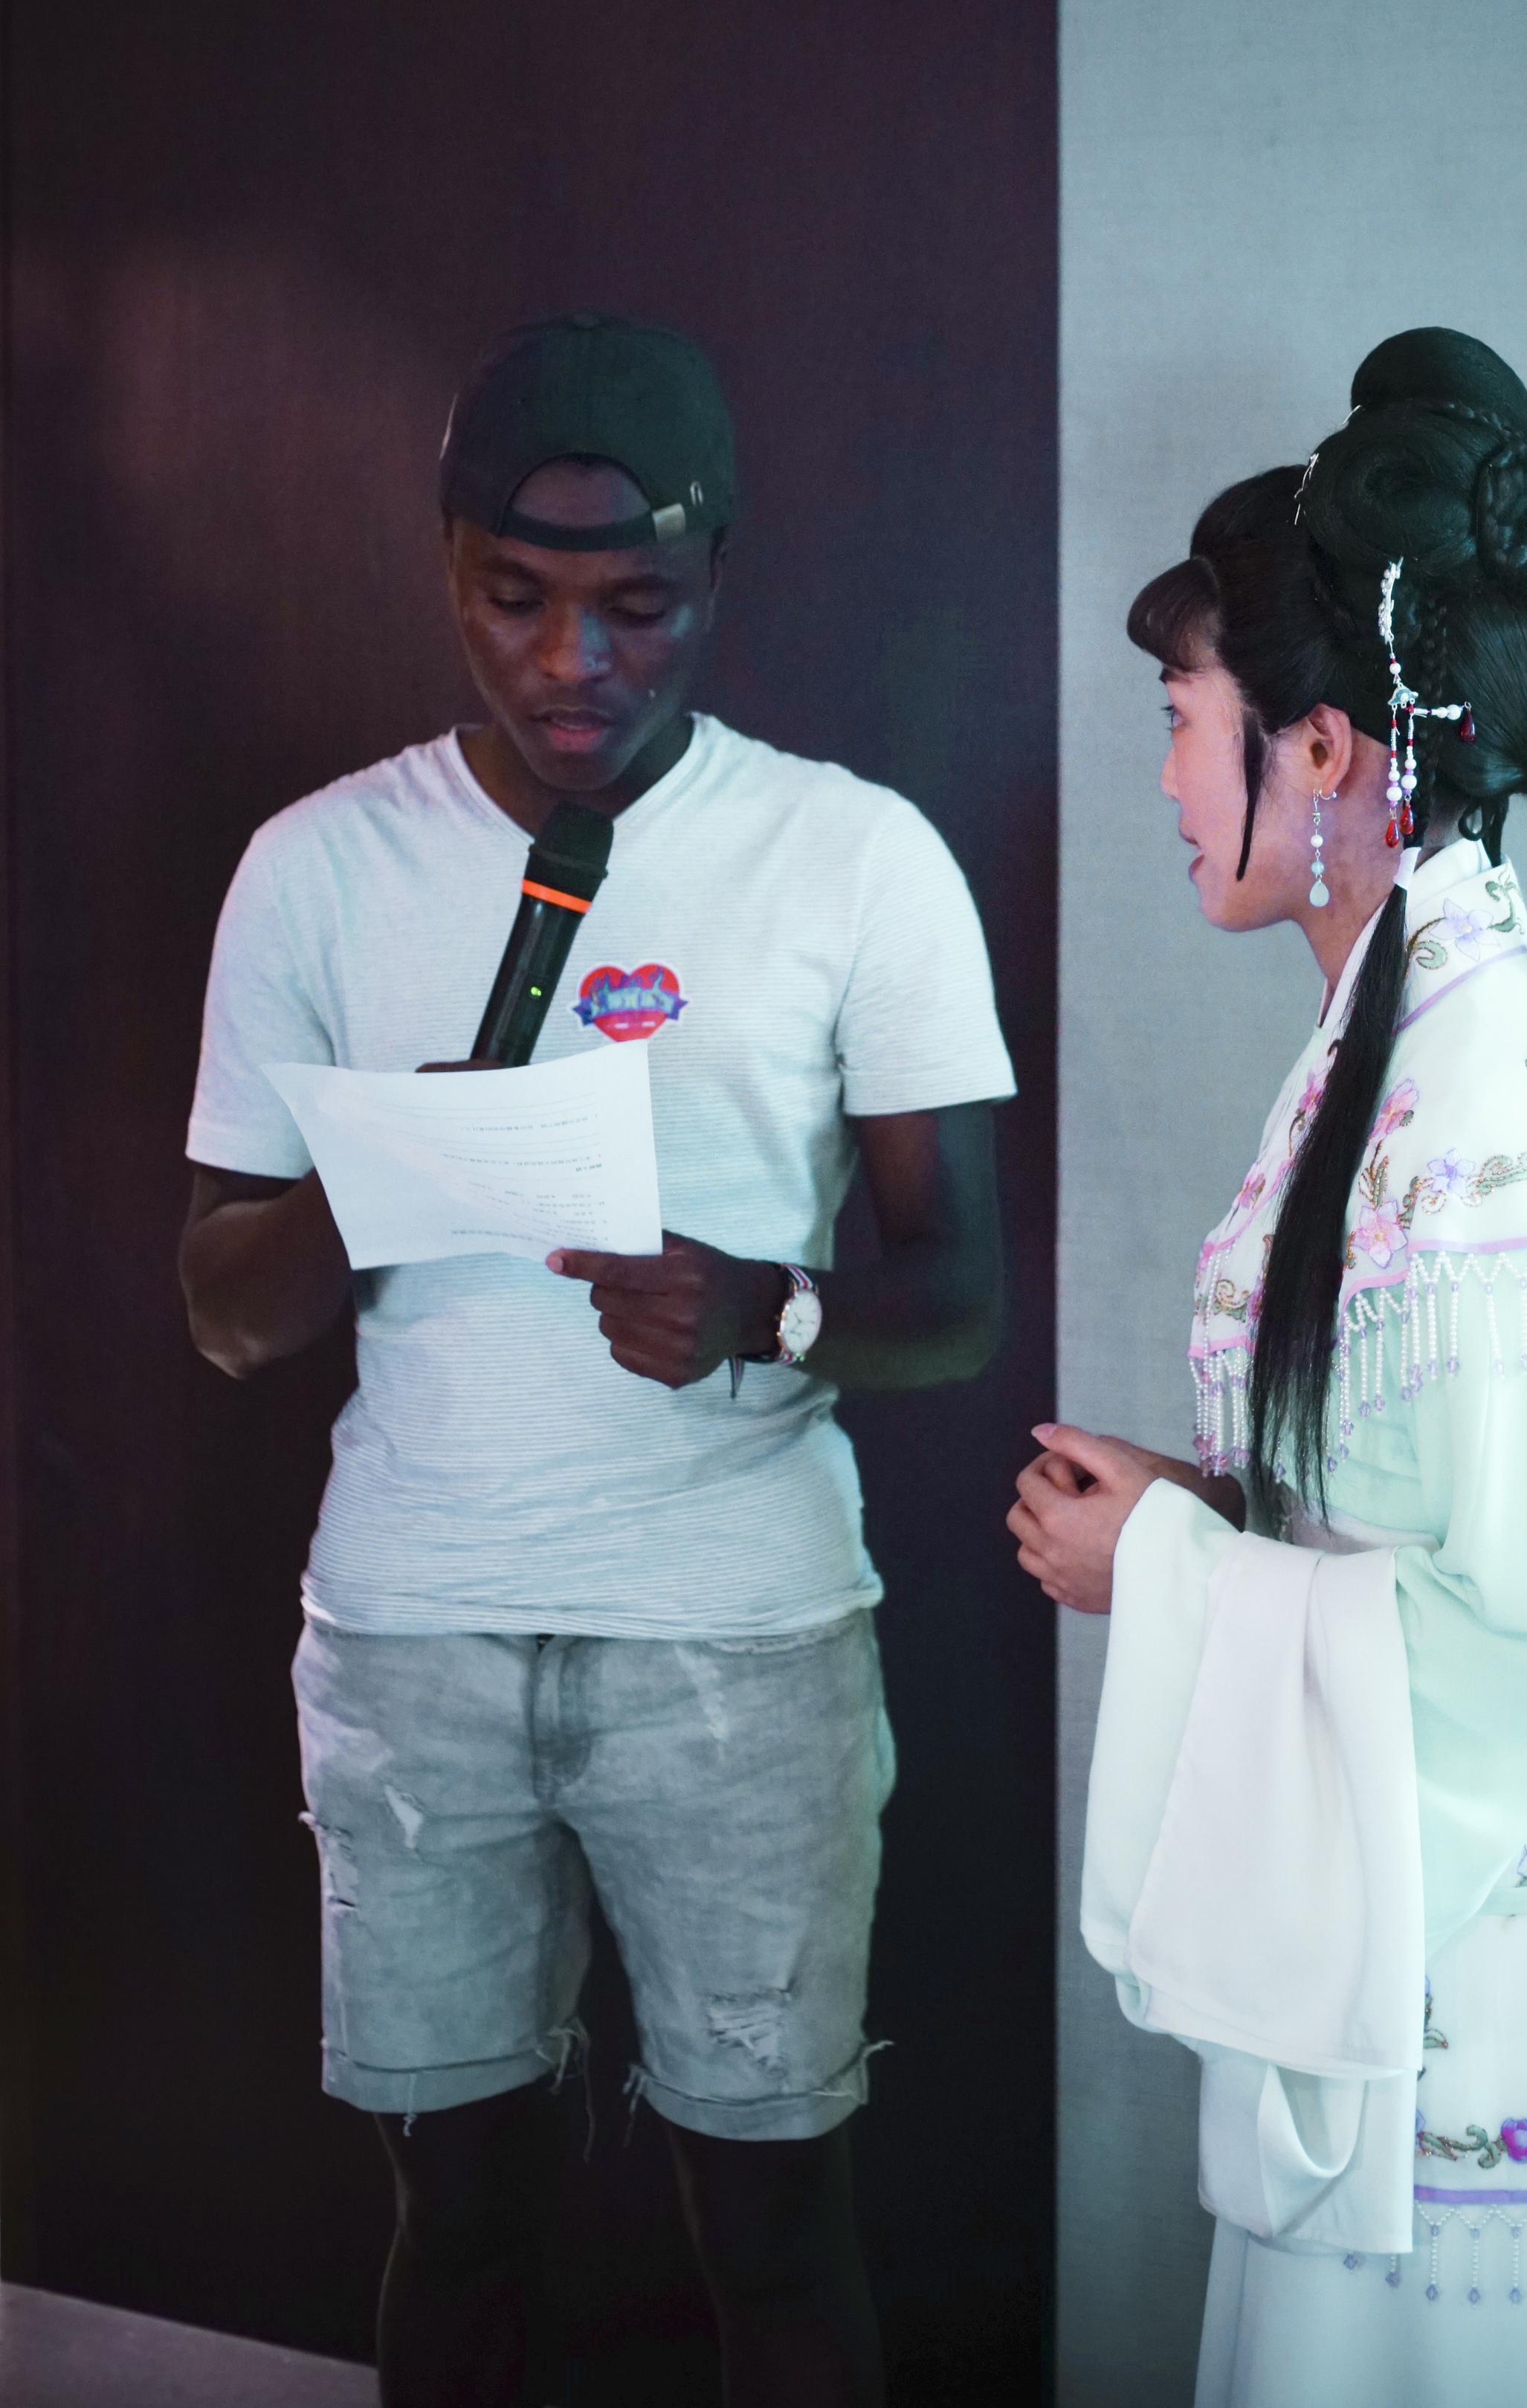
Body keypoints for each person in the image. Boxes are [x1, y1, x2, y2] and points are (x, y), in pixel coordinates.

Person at [181, 311, 1013, 2408]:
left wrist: (767, 1310)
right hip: (415, 1640)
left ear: (718, 575)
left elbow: (960, 1295)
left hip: (736, 1648)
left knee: (778, 2231)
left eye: (638, 607)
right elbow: (225, 1309)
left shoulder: (855, 857)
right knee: (453, 2222)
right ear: (448, 571)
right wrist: (403, 1159)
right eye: (515, 601)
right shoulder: (315, 870)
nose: (575, 663)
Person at [1009, 329, 1527, 2404]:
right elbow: (1414, 1500)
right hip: (1443, 1958)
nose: (1165, 779)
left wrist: (1167, 1575)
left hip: (1488, 2010)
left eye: (1181, 723)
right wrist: (1207, 1511)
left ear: (1326, 750)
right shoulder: (1408, 1034)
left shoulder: (1473, 1099)